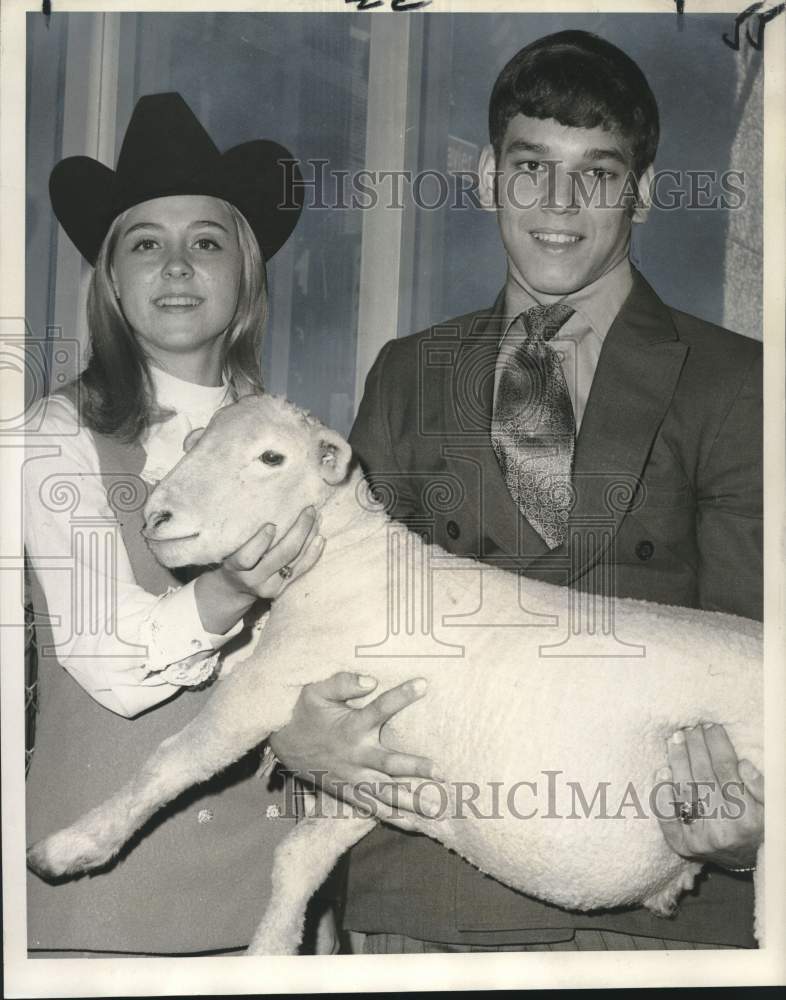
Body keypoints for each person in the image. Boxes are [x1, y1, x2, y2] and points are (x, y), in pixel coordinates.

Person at [272, 30, 764, 952]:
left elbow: (758, 659)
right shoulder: (409, 374)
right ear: (488, 175)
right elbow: (331, 621)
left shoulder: (739, 383)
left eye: (599, 173)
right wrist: (299, 743)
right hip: (430, 889)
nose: (561, 205)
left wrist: (748, 833)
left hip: (658, 900)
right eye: (533, 167)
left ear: (645, 194)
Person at [24, 92, 435, 957]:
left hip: (270, 902)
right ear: (110, 277)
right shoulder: (52, 438)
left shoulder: (297, 448)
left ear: (245, 273)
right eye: (146, 244)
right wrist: (231, 588)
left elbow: (335, 662)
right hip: (105, 906)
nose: (177, 266)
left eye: (206, 242)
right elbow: (111, 666)